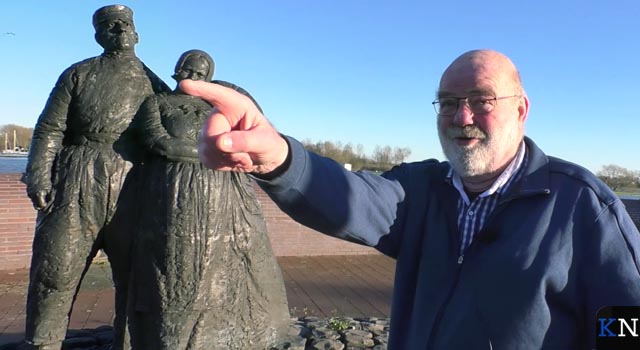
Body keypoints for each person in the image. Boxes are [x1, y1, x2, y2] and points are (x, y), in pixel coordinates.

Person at [180, 49, 640, 349]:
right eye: (447, 102)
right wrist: (278, 157)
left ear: (520, 109)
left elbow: (625, 322)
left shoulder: (581, 205)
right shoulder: (419, 191)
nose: (462, 116)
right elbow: (350, 197)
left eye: (481, 100)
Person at [21, 5, 169, 350]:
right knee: (55, 269)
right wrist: (40, 174)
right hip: (75, 178)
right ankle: (43, 342)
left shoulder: (154, 84)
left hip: (131, 184)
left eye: (125, 24)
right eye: (110, 25)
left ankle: (128, 344)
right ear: (98, 35)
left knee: (134, 277)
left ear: (136, 33)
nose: (119, 29)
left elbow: (177, 131)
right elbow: (50, 128)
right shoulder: (78, 74)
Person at [128, 50, 290, 350]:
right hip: (175, 194)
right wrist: (208, 151)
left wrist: (226, 93)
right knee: (176, 267)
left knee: (222, 268)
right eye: (189, 69)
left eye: (202, 73)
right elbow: (156, 140)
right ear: (177, 69)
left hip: (222, 195)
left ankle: (222, 335)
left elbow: (251, 118)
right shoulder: (158, 103)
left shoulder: (217, 105)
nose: (194, 75)